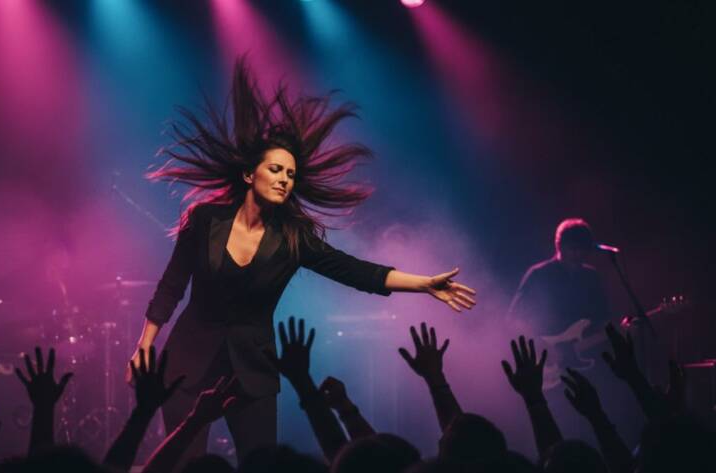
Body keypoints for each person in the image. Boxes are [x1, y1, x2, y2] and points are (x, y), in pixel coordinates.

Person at [127, 57, 477, 466]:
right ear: (248, 175)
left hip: (253, 371)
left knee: (263, 464)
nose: (283, 179)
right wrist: (145, 344)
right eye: (275, 169)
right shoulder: (205, 219)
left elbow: (355, 270)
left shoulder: (294, 238)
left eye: (290, 175)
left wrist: (424, 284)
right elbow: (172, 283)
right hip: (188, 360)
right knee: (185, 467)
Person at [508, 218, 611, 338]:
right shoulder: (539, 274)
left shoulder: (591, 277)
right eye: (573, 248)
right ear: (559, 246)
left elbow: (603, 317)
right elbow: (515, 319)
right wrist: (539, 343)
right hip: (546, 351)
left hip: (584, 352)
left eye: (582, 249)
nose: (578, 253)